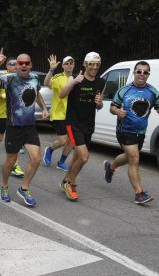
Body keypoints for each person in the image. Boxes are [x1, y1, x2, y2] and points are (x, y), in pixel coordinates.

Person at [103, 61, 159, 204]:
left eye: (145, 72)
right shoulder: (124, 90)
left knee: (129, 157)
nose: (142, 74)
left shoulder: (152, 92)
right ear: (134, 72)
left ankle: (110, 167)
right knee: (134, 158)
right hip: (125, 130)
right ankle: (139, 193)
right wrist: (118, 111)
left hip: (140, 131)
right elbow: (112, 108)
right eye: (139, 71)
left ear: (148, 74)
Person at [0, 49, 49, 207]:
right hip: (14, 126)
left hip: (29, 126)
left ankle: (24, 187)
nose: (22, 65)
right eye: (19, 63)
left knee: (35, 158)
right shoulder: (9, 78)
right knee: (11, 160)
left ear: (30, 65)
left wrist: (44, 108)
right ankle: (4, 185)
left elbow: (37, 94)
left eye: (26, 63)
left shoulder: (35, 78)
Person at [58, 52, 106, 201]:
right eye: (91, 64)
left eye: (97, 64)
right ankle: (71, 183)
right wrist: (72, 82)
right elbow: (61, 95)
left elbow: (99, 104)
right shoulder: (75, 79)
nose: (94, 67)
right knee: (84, 157)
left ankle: (65, 180)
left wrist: (99, 103)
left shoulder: (101, 83)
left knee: (77, 157)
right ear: (85, 64)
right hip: (73, 124)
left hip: (88, 124)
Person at [42, 55, 74, 171]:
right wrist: (51, 70)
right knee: (63, 140)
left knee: (72, 141)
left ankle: (61, 162)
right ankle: (50, 149)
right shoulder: (59, 77)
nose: (69, 65)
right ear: (63, 66)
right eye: (67, 63)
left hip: (71, 115)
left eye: (71, 63)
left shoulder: (75, 79)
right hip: (59, 114)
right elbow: (46, 83)